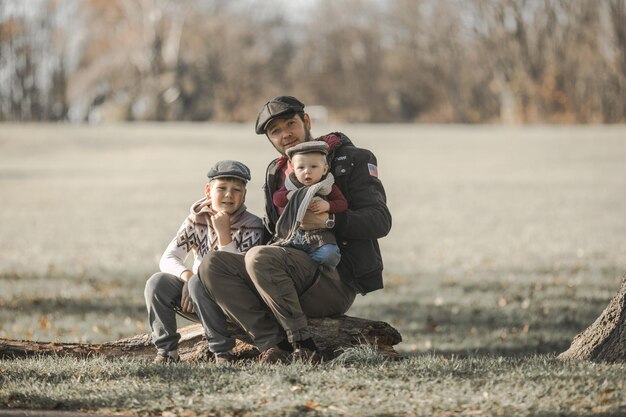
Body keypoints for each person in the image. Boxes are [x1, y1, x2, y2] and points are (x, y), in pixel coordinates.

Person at [198, 96, 392, 364]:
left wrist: (329, 221)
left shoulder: (352, 159)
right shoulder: (275, 173)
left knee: (260, 257)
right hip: (283, 270)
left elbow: (380, 220)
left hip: (333, 278)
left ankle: (305, 345)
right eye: (275, 131)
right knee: (213, 264)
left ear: (307, 121)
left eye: (290, 124)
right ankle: (273, 346)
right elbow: (272, 233)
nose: (285, 134)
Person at [144, 160, 264, 364]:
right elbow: (169, 257)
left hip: (233, 301)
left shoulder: (252, 225)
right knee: (157, 283)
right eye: (222, 188)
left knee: (199, 282)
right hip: (196, 295)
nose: (228, 195)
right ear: (208, 191)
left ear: (244, 195)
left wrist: (224, 234)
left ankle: (221, 352)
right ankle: (167, 351)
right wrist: (188, 278)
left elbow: (239, 273)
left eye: (236, 190)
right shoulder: (196, 219)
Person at [272, 140, 347, 269]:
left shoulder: (327, 186)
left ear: (324, 169)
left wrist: (328, 205)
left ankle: (308, 266)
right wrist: (290, 195)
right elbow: (277, 199)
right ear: (294, 170)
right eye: (301, 168)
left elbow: (342, 203)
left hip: (320, 237)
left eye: (313, 167)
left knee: (330, 255)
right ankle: (300, 263)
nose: (307, 172)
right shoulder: (292, 186)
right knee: (275, 253)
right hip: (294, 234)